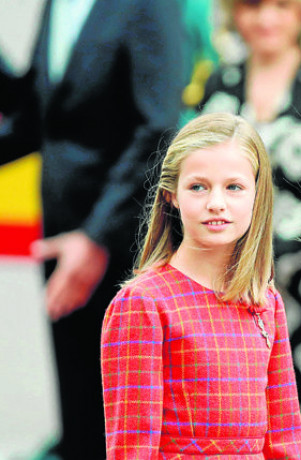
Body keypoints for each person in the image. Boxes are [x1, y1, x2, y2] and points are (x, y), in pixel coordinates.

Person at [0, 0, 185, 456]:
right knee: (79, 404)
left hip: (125, 242)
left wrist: (97, 236)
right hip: (60, 235)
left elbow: (158, 124)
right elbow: (39, 117)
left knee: (128, 415)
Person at [199, 0, 301, 453]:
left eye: (281, 6)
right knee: (240, 413)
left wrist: (275, 257)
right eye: (252, 6)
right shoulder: (218, 83)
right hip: (229, 285)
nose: (266, 18)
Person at [100, 113, 301, 458]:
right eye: (198, 186)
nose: (216, 203)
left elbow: (285, 439)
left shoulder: (265, 300)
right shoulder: (144, 303)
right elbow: (131, 448)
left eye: (234, 187)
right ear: (171, 195)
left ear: (258, 194)